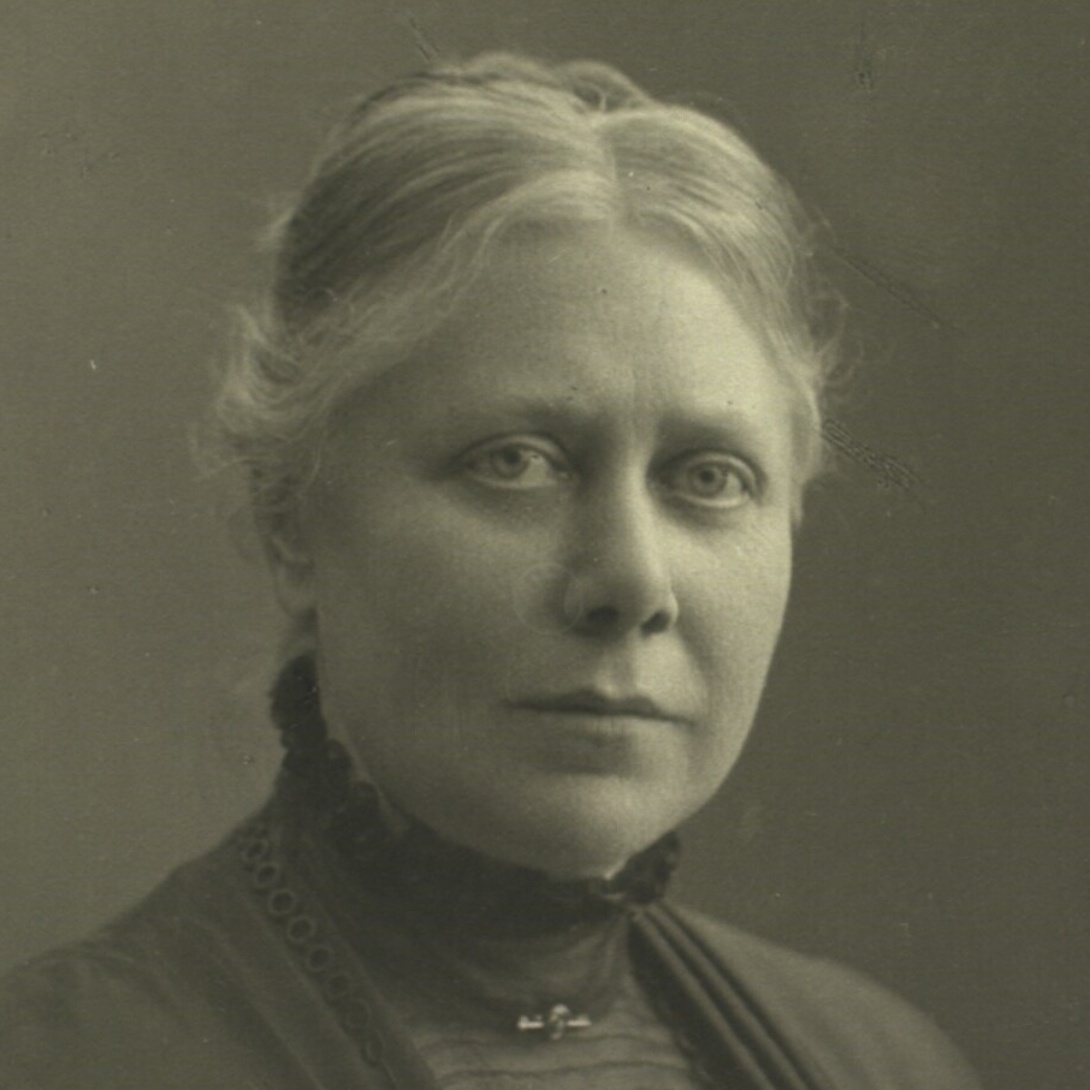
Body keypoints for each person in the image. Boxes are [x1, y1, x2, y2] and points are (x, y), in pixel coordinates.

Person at [0, 53, 981, 1089]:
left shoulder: (885, 1065)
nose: (631, 583)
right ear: (294, 520)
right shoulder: (65, 1062)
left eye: (708, 478)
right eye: (516, 462)